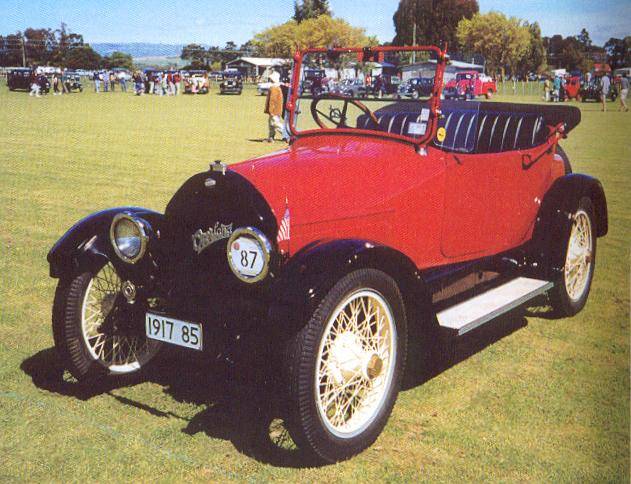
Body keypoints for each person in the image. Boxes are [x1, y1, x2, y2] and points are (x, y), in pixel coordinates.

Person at [264, 71, 286, 142]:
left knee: (275, 123)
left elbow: (272, 101)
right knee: (271, 124)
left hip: (274, 110)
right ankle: (271, 137)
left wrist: (271, 110)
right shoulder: (278, 87)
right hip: (277, 109)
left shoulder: (274, 88)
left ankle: (286, 135)